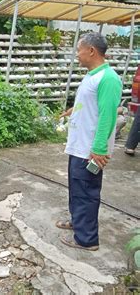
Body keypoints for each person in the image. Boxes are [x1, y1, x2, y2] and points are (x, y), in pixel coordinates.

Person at [58, 32, 122, 251]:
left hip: (90, 149)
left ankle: (86, 239)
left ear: (91, 51)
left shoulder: (109, 78)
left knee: (86, 191)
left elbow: (107, 115)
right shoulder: (92, 75)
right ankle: (78, 222)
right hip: (79, 146)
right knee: (77, 189)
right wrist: (72, 111)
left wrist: (99, 148)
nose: (77, 55)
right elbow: (90, 104)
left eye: (79, 50)